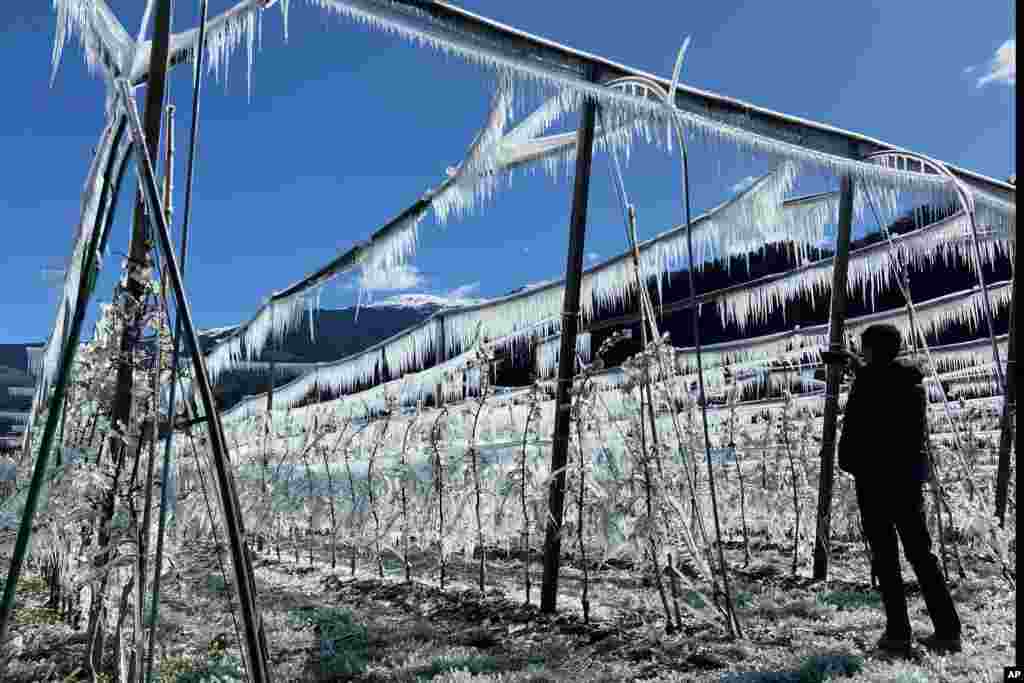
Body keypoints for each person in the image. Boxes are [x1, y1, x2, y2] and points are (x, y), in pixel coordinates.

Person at [834, 323, 962, 657]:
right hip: (907, 483)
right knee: (922, 555)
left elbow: (853, 438)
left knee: (886, 560)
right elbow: (887, 390)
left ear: (873, 350)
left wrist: (850, 460)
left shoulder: (866, 387)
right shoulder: (912, 385)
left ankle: (897, 634)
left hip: (874, 483)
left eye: (865, 349)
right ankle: (948, 630)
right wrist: (860, 372)